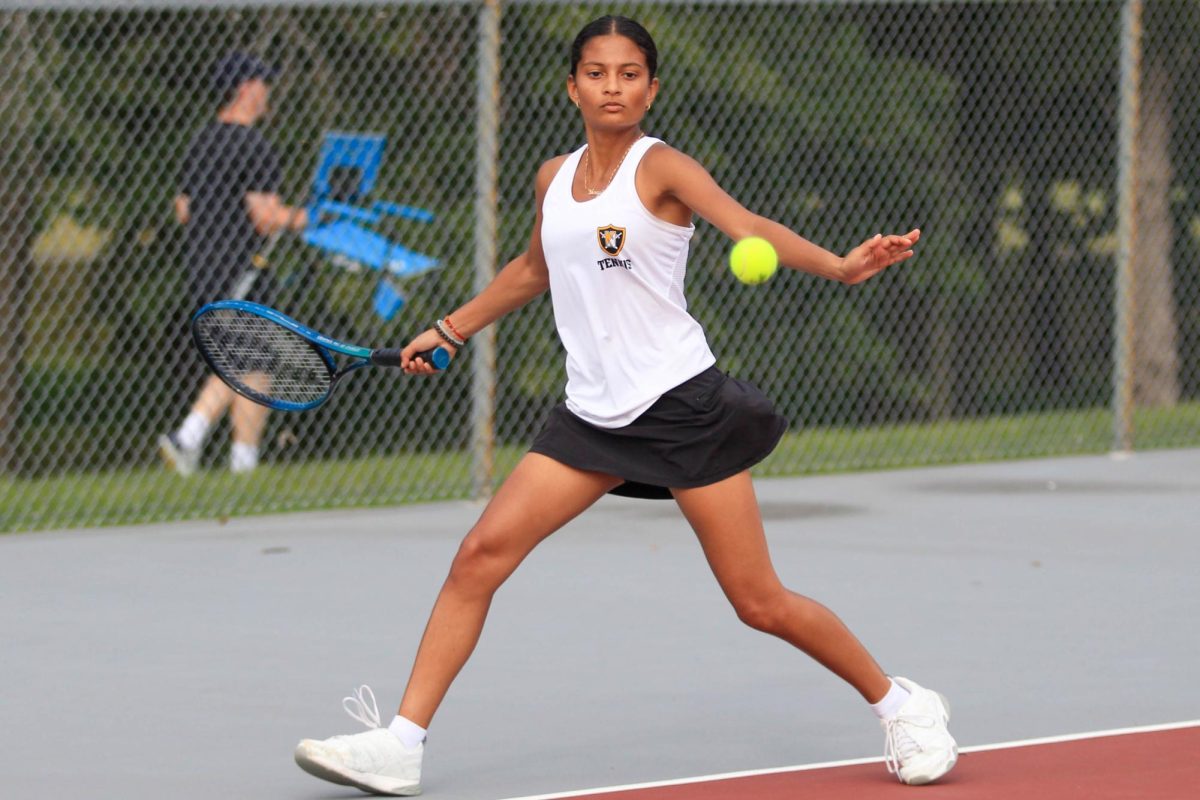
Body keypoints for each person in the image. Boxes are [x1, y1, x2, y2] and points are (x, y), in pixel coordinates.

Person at [293, 16, 957, 796]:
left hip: (681, 408)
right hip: (591, 418)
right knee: (478, 558)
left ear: (652, 87)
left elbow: (749, 227)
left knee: (759, 602)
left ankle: (904, 705)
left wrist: (842, 268)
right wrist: (449, 327)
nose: (614, 86)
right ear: (572, 84)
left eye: (630, 73)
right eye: (598, 72)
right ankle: (401, 743)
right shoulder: (553, 178)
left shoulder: (663, 168)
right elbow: (533, 269)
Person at [159, 51, 309, 476]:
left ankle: (243, 465)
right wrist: (311, 217)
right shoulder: (253, 145)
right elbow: (266, 217)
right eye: (263, 84)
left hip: (204, 266)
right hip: (242, 267)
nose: (267, 93)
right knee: (243, 362)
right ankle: (187, 435)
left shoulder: (201, 141)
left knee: (254, 363)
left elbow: (183, 208)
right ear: (246, 89)